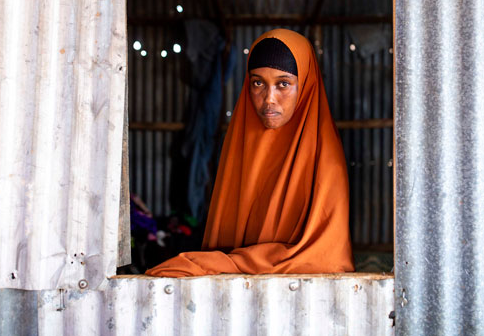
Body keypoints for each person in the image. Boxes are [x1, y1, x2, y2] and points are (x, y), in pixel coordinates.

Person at [146, 29, 354, 276]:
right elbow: (223, 243)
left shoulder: (326, 163)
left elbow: (327, 260)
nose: (269, 99)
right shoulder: (240, 147)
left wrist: (226, 263)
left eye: (283, 84)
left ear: (306, 85)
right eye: (258, 83)